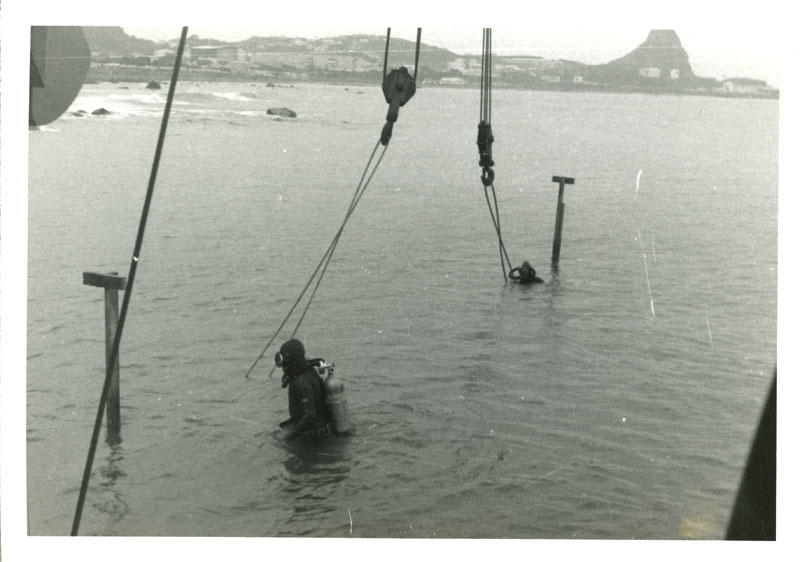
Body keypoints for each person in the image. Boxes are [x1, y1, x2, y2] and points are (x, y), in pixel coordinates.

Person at [276, 338, 332, 441]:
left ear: (291, 361)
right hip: (318, 429)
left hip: (315, 438)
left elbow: (309, 416)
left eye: (285, 362)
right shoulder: (307, 371)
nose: (283, 366)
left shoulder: (301, 383)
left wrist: (288, 438)